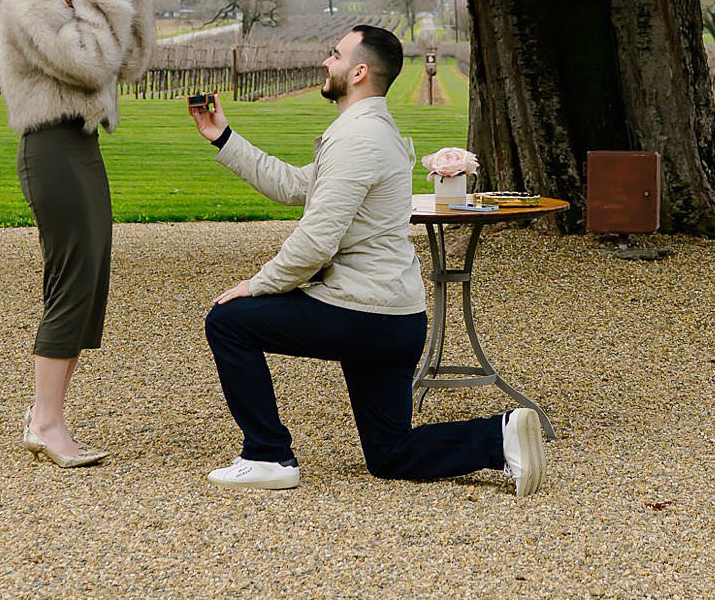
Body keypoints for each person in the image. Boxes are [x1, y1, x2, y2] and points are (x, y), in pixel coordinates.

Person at [190, 24, 547, 495]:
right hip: (394, 319)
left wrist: (257, 285)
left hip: (361, 315)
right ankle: (498, 437)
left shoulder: (356, 138)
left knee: (229, 321)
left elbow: (316, 241)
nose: (325, 62)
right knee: (390, 452)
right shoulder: (371, 131)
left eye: (334, 54)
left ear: (358, 71)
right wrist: (224, 137)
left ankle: (267, 454)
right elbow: (296, 186)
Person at [0, 0, 154, 467]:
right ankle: (45, 422)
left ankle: (47, 415)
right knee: (71, 278)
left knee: (88, 278)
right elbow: (87, 64)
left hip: (83, 147)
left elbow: (128, 64)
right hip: (52, 146)